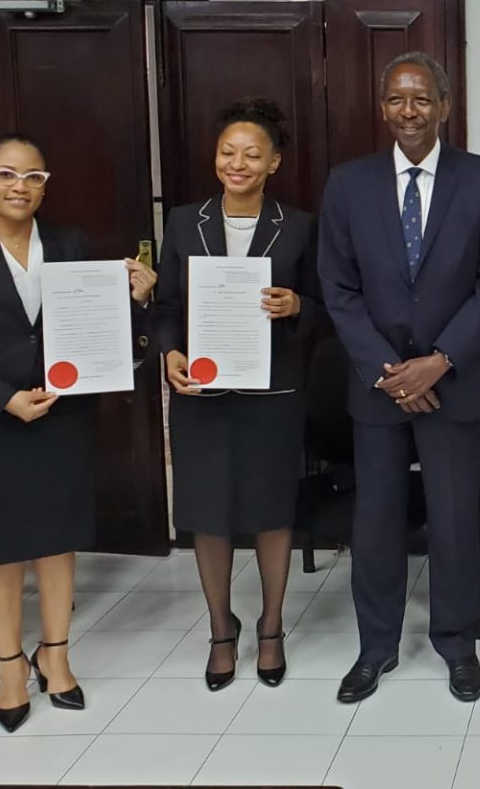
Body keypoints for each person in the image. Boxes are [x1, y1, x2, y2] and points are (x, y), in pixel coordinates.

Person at [0, 134, 156, 731]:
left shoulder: (70, 244)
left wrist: (139, 300)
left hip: (61, 417)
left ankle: (57, 656)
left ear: (46, 185)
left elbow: (95, 326)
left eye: (33, 177)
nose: (19, 187)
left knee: (55, 541)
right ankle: (11, 664)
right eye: (7, 175)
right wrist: (3, 398)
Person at [319, 51, 480, 704]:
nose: (410, 110)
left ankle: (458, 645)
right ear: (383, 108)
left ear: (446, 106)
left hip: (453, 380)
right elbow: (339, 289)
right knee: (375, 520)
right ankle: (376, 646)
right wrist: (389, 371)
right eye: (398, 99)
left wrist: (441, 358)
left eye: (422, 99)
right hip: (377, 386)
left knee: (456, 519)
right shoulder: (348, 184)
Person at [153, 98, 319, 692]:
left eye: (252, 154)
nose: (238, 163)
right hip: (202, 389)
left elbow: (327, 306)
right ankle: (222, 631)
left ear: (273, 162)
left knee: (273, 512)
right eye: (228, 152)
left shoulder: (298, 225)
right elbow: (168, 304)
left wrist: (298, 304)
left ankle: (271, 628)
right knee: (208, 513)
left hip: (272, 391)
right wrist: (168, 353)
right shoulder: (183, 221)